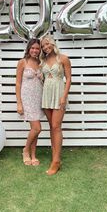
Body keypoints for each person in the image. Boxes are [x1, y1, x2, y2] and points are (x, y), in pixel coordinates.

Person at [40, 35, 71, 175]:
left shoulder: (63, 58)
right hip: (46, 94)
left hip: (59, 94)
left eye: (47, 44)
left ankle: (56, 161)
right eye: (43, 46)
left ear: (52, 44)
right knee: (51, 127)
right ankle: (55, 157)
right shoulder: (43, 60)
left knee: (56, 126)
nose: (46, 47)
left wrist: (64, 97)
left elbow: (69, 78)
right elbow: (43, 78)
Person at [15, 38, 44, 166]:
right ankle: (26, 150)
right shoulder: (23, 62)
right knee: (37, 128)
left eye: (37, 48)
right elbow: (18, 83)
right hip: (27, 98)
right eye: (32, 48)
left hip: (39, 98)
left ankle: (33, 155)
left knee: (34, 129)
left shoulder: (41, 63)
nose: (35, 50)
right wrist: (19, 103)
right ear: (28, 49)